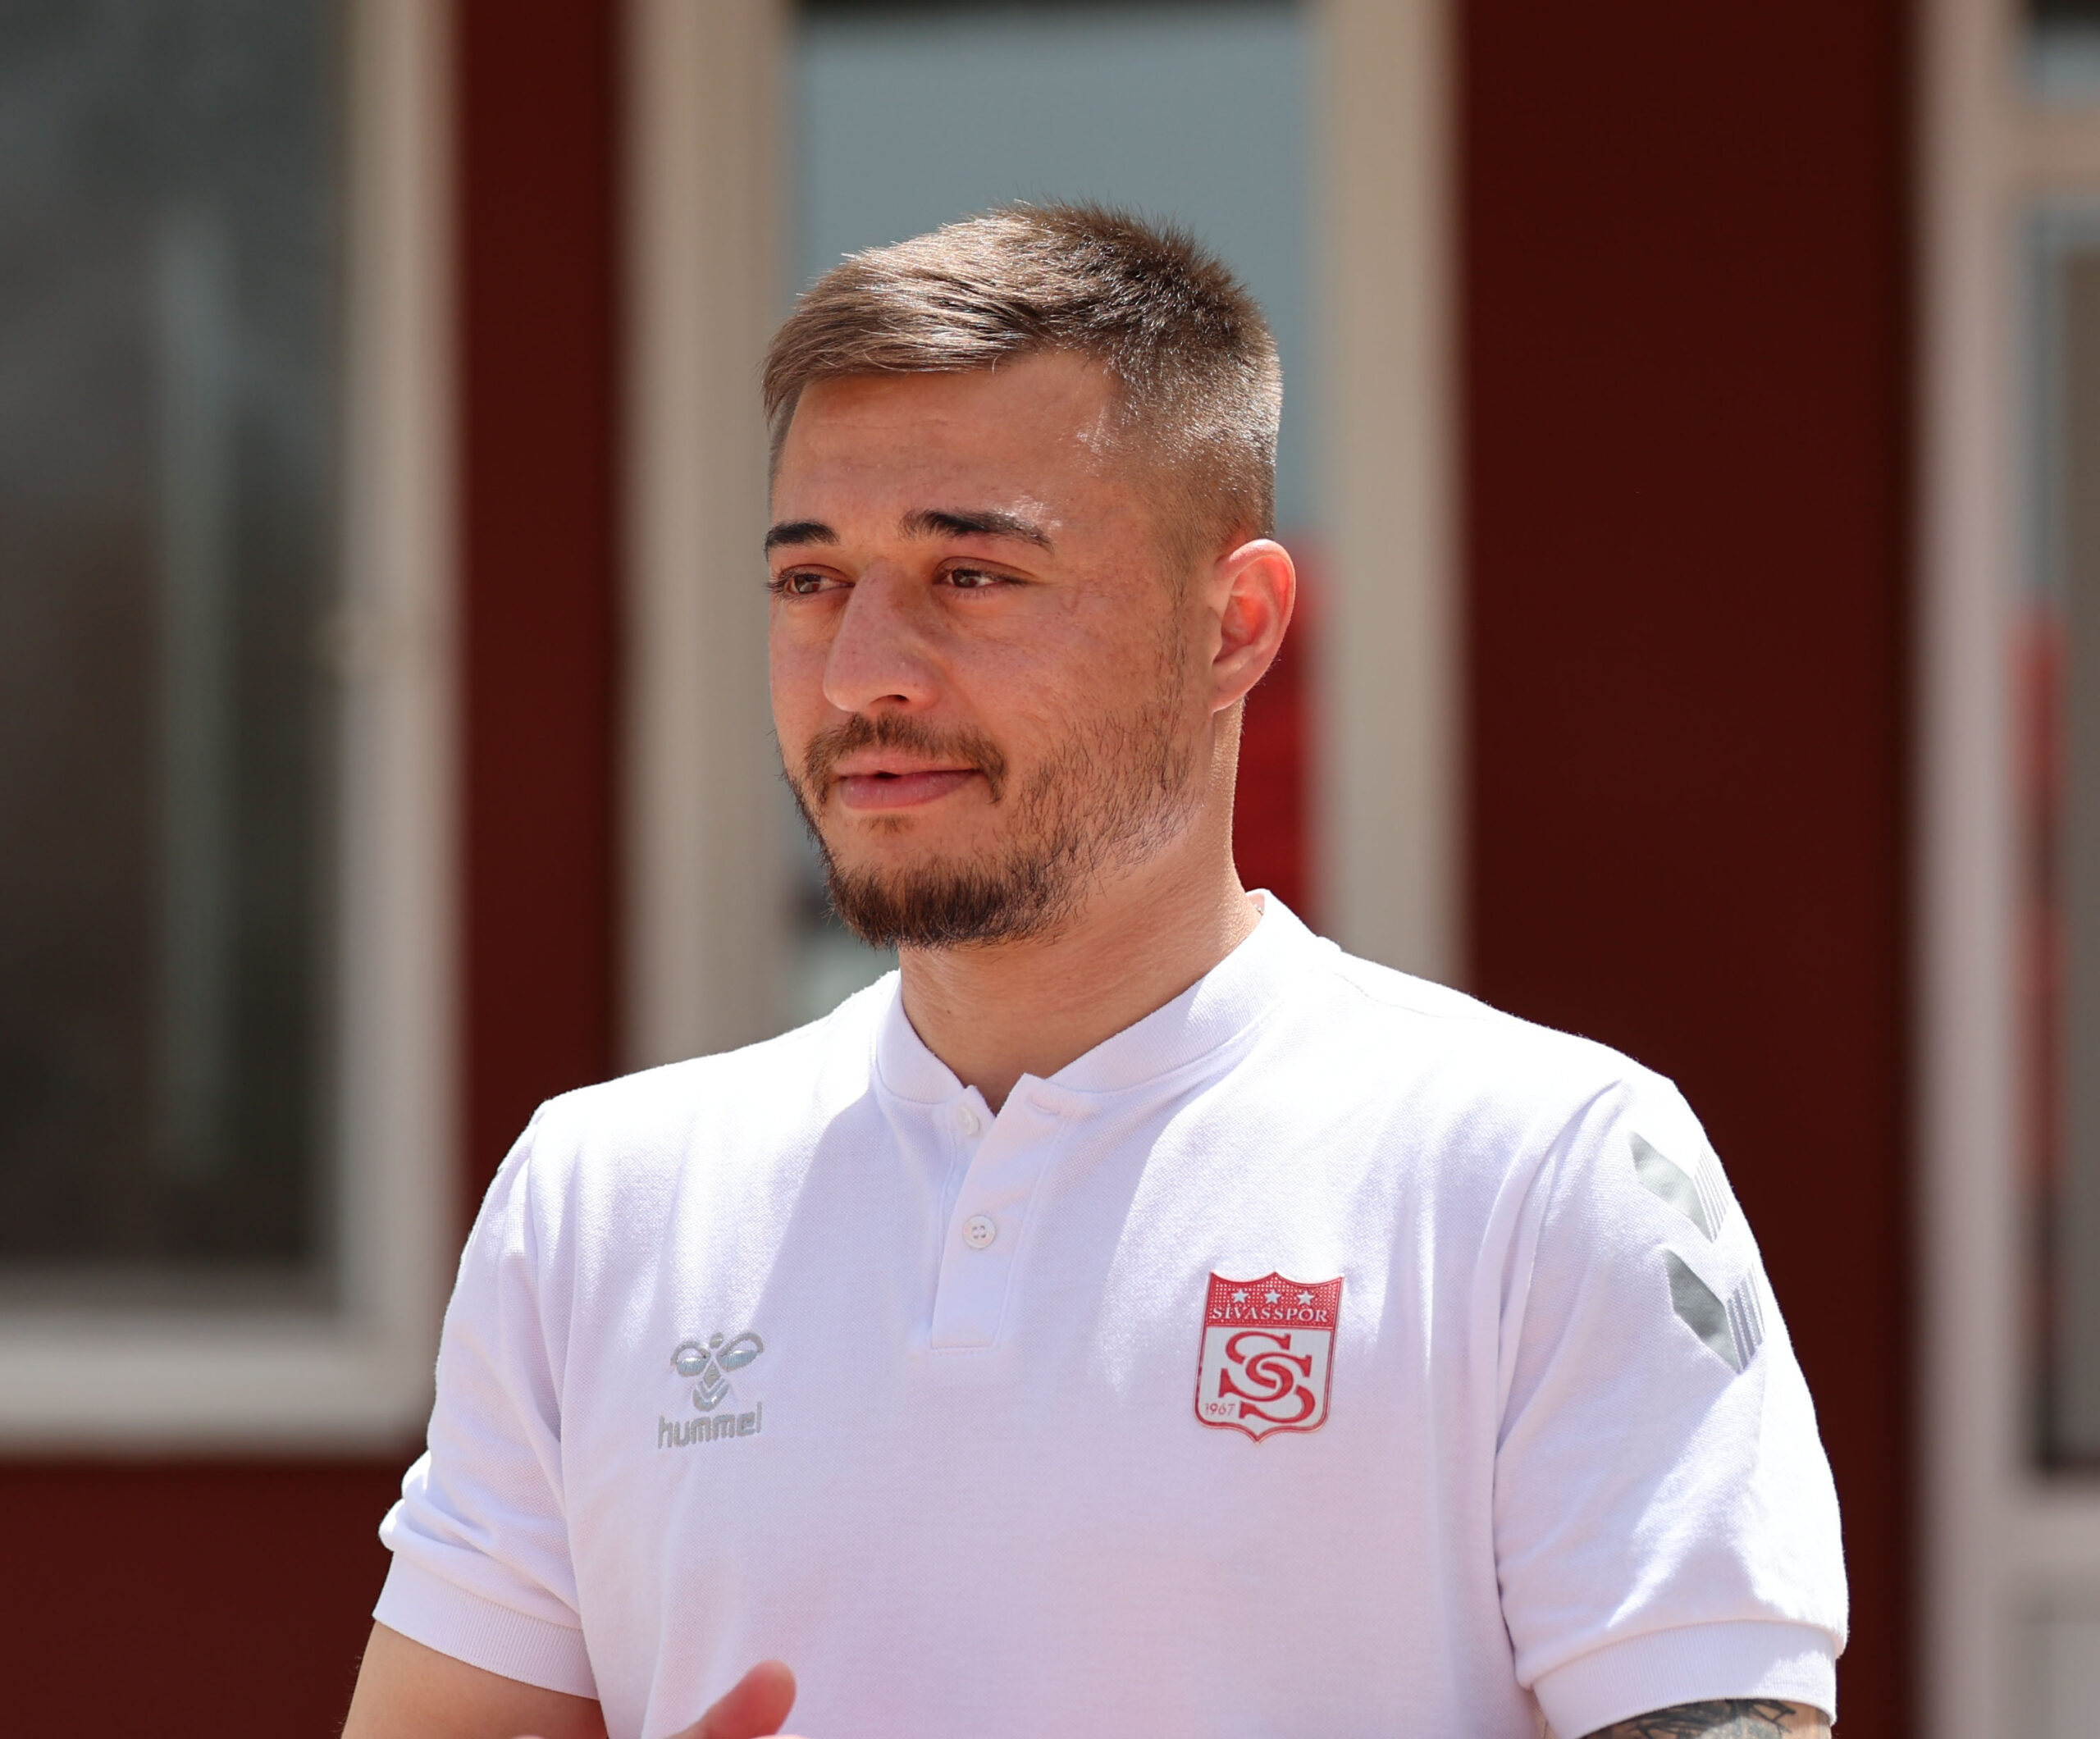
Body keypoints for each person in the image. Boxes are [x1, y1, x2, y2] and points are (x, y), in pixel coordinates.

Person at [342, 205, 1845, 1739]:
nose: (863, 671)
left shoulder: (1543, 1167)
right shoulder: (601, 1199)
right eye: (810, 581)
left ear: (1234, 628)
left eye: (972, 574)